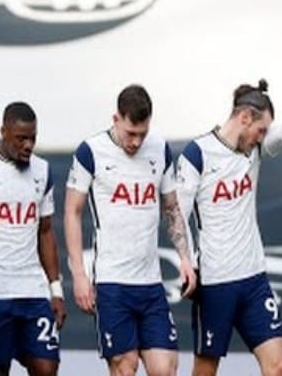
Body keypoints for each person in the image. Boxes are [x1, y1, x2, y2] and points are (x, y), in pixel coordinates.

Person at [176, 81, 282, 376]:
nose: (261, 138)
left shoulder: (251, 150)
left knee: (278, 367)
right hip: (216, 282)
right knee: (205, 371)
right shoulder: (197, 154)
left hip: (254, 280)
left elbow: (279, 137)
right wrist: (186, 260)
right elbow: (177, 214)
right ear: (244, 118)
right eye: (260, 130)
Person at [64, 84, 197, 376]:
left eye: (142, 134)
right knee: (125, 366)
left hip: (151, 283)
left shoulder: (160, 150)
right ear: (116, 119)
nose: (136, 142)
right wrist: (79, 275)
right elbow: (72, 212)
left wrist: (185, 258)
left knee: (165, 368)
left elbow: (172, 208)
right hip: (112, 283)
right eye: (130, 133)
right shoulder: (91, 152)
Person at [0, 102, 65, 376]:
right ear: (3, 132)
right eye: (21, 138)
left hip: (33, 291)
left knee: (47, 368)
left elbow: (45, 231)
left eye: (33, 137)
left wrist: (55, 290)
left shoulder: (43, 171)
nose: (28, 145)